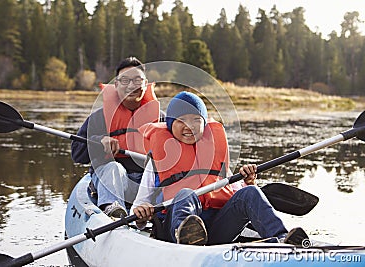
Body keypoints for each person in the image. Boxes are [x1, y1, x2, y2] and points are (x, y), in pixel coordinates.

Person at [131, 91, 308, 245]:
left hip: (217, 230)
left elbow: (238, 196)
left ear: (204, 123)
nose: (189, 126)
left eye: (196, 120)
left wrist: (249, 182)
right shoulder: (158, 161)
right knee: (186, 193)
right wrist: (142, 214)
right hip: (175, 232)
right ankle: (187, 234)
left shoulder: (215, 154)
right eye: (181, 120)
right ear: (170, 124)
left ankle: (282, 237)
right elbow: (138, 209)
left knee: (250, 193)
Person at [71, 57, 161, 218]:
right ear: (117, 84)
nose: (131, 86)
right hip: (113, 182)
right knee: (114, 168)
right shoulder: (99, 118)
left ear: (145, 83)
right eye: (125, 80)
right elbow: (77, 154)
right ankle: (114, 210)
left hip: (145, 186)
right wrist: (99, 142)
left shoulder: (161, 120)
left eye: (137, 80)